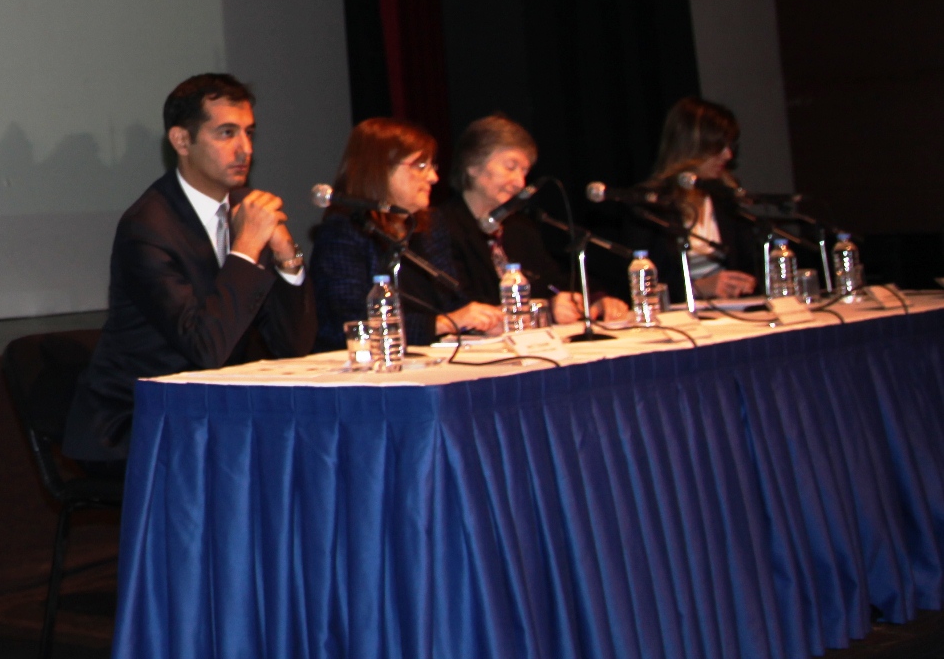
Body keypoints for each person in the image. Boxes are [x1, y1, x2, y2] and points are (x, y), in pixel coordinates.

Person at [62, 74, 316, 468]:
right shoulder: (148, 229)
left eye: (249, 133)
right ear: (182, 141)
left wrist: (287, 257)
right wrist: (247, 248)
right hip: (141, 419)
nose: (245, 149)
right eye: (227, 133)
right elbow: (206, 347)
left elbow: (293, 347)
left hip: (214, 411)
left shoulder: (243, 211)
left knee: (312, 443)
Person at [308, 118, 505, 346]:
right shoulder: (343, 232)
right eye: (420, 166)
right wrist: (442, 324)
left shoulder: (431, 225)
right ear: (381, 168)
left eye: (432, 166)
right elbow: (348, 323)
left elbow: (453, 302)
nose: (433, 177)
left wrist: (481, 322)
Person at [435, 115, 627, 324]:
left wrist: (596, 299)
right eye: (510, 167)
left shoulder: (520, 228)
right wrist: (545, 309)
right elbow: (461, 304)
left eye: (524, 171)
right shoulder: (441, 227)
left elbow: (553, 282)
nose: (520, 182)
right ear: (472, 164)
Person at [643, 96, 758, 299]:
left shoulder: (726, 197)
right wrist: (697, 288)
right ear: (691, 147)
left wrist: (748, 281)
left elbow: (751, 263)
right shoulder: (650, 203)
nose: (728, 155)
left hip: (729, 309)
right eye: (719, 147)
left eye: (730, 146)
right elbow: (641, 284)